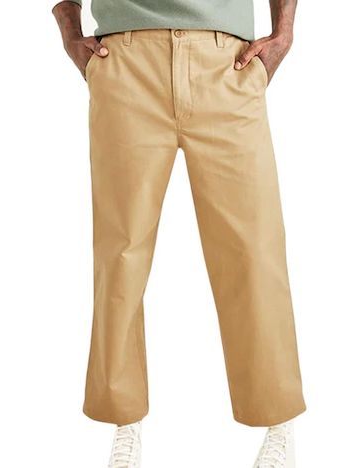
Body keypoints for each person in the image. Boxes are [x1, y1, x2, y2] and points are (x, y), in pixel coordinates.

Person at [52, 0, 306, 466]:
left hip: (227, 62)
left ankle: (278, 419)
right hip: (127, 62)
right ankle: (124, 421)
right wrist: (68, 26)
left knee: (254, 248)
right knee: (122, 251)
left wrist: (283, 31)